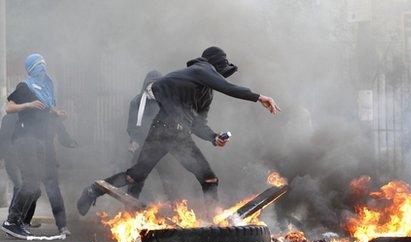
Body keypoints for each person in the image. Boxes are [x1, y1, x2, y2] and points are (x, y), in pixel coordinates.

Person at [77, 46, 280, 216]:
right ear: (215, 67)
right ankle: (93, 190)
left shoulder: (207, 94)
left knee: (209, 179)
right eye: (221, 71)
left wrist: (214, 137)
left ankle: (212, 224)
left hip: (181, 138)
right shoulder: (200, 69)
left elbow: (198, 123)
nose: (221, 75)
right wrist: (259, 97)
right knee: (134, 176)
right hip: (161, 132)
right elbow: (227, 87)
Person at [1, 54, 71, 239]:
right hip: (25, 140)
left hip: (40, 142)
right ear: (31, 68)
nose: (42, 68)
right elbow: (8, 108)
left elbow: (45, 113)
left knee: (35, 187)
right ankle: (12, 221)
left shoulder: (46, 92)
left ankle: (17, 222)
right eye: (38, 65)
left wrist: (57, 113)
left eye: (43, 64)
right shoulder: (25, 86)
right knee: (30, 184)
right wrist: (28, 104)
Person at [126, 70, 177, 200]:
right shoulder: (137, 101)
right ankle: (130, 208)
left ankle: (175, 209)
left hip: (162, 145)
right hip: (142, 145)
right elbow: (131, 125)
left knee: (168, 178)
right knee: (135, 178)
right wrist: (134, 139)